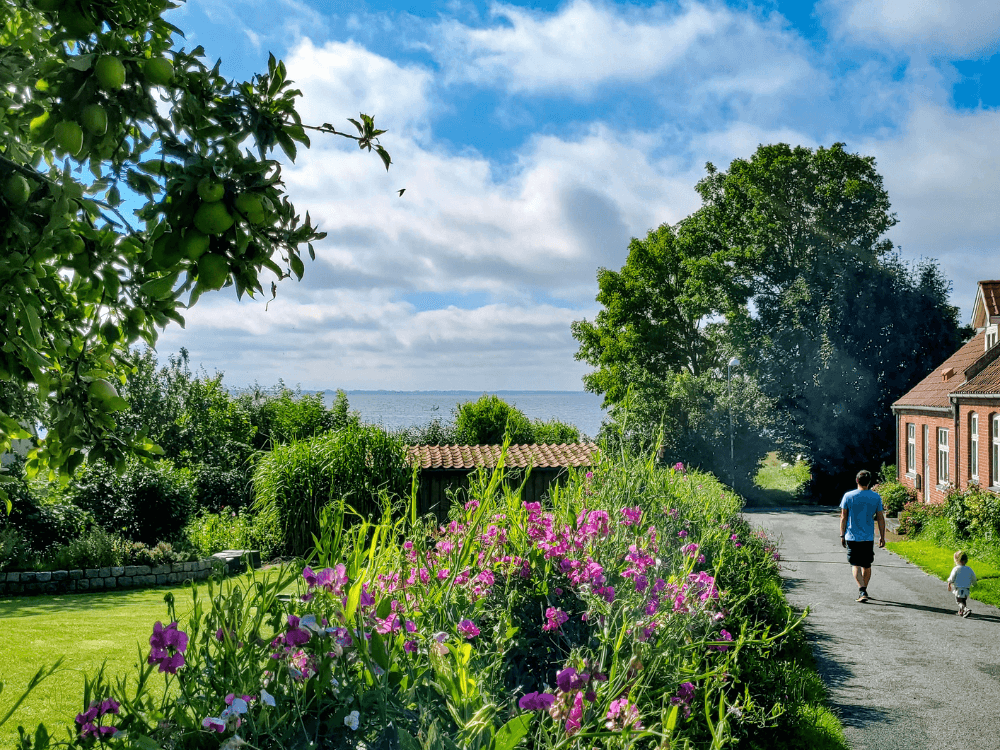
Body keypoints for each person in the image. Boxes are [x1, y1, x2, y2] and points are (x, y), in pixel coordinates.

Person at [839, 469, 885, 603]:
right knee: (867, 565)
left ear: (857, 480)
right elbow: (880, 518)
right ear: (869, 482)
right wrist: (882, 536)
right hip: (868, 537)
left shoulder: (848, 496)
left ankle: (862, 590)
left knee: (855, 564)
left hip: (852, 536)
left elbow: (843, 517)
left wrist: (842, 534)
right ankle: (863, 590)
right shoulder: (876, 497)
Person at [947, 550, 977, 618]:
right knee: (963, 600)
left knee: (959, 601)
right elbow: (973, 578)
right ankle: (961, 612)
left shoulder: (956, 569)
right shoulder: (969, 569)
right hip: (966, 588)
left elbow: (952, 578)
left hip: (959, 588)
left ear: (956, 560)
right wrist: (974, 584)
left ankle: (966, 609)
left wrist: (949, 583)